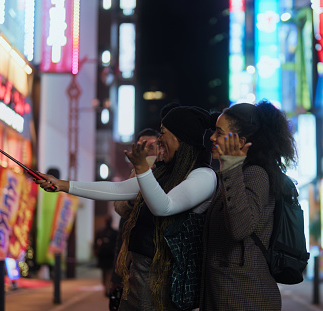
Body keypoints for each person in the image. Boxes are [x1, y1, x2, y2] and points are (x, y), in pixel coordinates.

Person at [35, 106, 217, 311]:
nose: (158, 141)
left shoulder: (204, 176)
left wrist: (141, 168)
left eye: (163, 133)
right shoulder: (164, 172)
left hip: (167, 281)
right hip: (138, 272)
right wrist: (63, 185)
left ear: (181, 138)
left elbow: (164, 207)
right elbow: (118, 189)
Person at [200, 100, 296, 310]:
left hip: (246, 299)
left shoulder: (255, 174)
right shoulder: (230, 175)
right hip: (226, 295)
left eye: (219, 132)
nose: (212, 137)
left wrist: (231, 167)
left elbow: (240, 227)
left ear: (240, 141)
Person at [110, 128, 160, 311]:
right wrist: (115, 277)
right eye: (142, 147)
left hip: (156, 262)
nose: (147, 151)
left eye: (152, 146)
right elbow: (120, 208)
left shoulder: (167, 171)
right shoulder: (134, 174)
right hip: (130, 261)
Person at [94, 215, 118, 296]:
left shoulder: (100, 232)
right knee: (109, 273)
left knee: (104, 273)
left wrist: (96, 253)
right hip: (111, 256)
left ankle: (106, 287)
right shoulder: (115, 232)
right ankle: (107, 288)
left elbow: (95, 244)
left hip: (102, 256)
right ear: (111, 222)